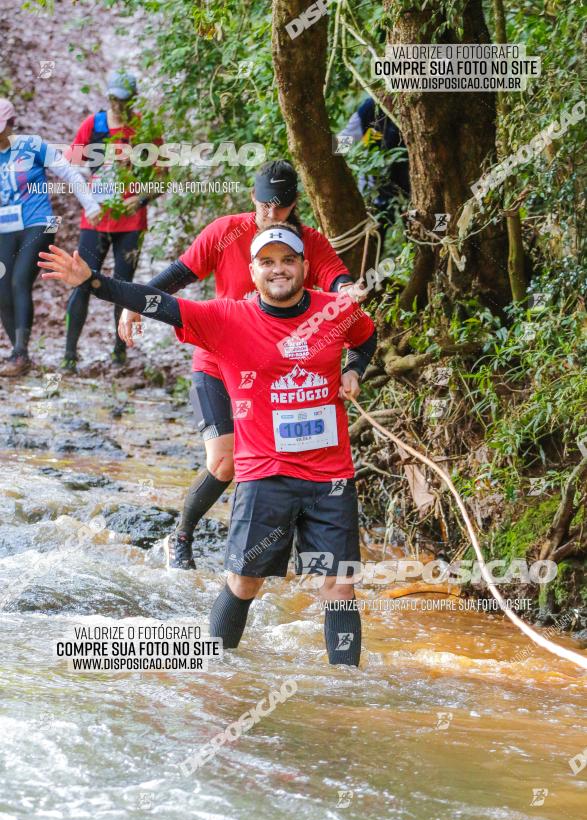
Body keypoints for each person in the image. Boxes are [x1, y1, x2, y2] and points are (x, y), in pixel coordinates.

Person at [38, 221, 377, 667]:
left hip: (331, 477)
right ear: (252, 271)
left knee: (339, 586)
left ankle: (348, 693)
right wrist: (95, 282)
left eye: (288, 260)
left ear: (304, 266)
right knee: (244, 582)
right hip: (264, 476)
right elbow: (158, 303)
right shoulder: (227, 317)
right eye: (268, 262)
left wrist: (354, 369)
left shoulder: (336, 310)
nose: (279, 270)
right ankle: (217, 673)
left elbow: (367, 337)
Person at [116, 159, 368, 570]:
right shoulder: (225, 232)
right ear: (253, 197)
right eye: (266, 205)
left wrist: (349, 291)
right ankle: (180, 535)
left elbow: (334, 277)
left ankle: (270, 553)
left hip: (276, 374)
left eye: (282, 207)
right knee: (224, 462)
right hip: (219, 362)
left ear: (294, 205)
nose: (273, 214)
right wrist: (133, 305)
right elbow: (178, 275)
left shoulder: (307, 242)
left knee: (279, 463)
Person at [62, 70, 160, 371]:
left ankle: (119, 352)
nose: (118, 105)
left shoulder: (144, 129)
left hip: (130, 223)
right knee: (81, 282)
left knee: (123, 285)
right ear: (108, 98)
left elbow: (162, 177)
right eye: (114, 98)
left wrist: (140, 199)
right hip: (95, 220)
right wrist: (88, 196)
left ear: (133, 100)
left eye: (124, 99)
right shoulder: (93, 125)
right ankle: (69, 356)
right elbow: (69, 167)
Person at [0, 98, 101, 376]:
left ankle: (19, 355)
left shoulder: (31, 146)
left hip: (38, 223)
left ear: (12, 124)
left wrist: (90, 205)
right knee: (2, 287)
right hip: (4, 228)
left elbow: (68, 172)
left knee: (20, 280)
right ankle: (19, 352)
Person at [338, 96, 410, 245]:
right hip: (375, 190)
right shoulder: (369, 110)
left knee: (415, 236)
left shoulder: (410, 107)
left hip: (410, 191)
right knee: (372, 241)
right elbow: (346, 139)